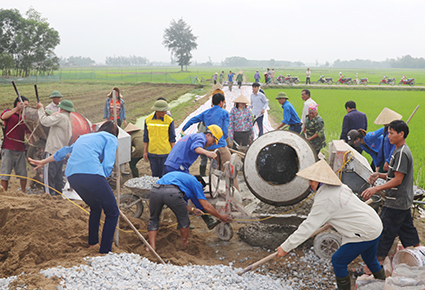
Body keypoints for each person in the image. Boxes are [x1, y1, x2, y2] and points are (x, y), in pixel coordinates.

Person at [277, 160, 385, 290]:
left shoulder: (325, 199)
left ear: (320, 180)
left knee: (338, 261)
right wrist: (331, 218)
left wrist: (286, 247)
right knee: (370, 258)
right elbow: (343, 207)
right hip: (374, 223)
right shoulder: (340, 187)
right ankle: (384, 284)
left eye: (312, 180)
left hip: (365, 231)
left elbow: (307, 227)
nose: (309, 184)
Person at [29, 121, 120, 254]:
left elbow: (63, 152)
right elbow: (108, 163)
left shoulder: (85, 137)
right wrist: (104, 178)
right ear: (115, 134)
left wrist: (43, 161)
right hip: (92, 174)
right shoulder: (111, 138)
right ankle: (105, 251)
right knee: (112, 212)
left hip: (73, 175)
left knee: (96, 207)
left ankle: (93, 243)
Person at [361, 120, 419, 262]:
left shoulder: (401, 153)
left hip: (396, 201)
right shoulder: (397, 151)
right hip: (402, 202)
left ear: (401, 134)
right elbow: (394, 175)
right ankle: (419, 257)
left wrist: (376, 188)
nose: (388, 137)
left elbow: (398, 180)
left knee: (384, 232)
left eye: (392, 133)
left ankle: (374, 267)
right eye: (388, 133)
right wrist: (379, 175)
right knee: (407, 232)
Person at [147, 171, 232, 251]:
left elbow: (177, 202)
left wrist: (193, 210)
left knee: (153, 219)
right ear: (201, 183)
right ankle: (184, 245)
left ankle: (152, 246)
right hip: (172, 192)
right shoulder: (196, 183)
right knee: (184, 220)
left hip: (155, 191)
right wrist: (221, 217)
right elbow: (206, 206)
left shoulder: (182, 178)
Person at [182, 92, 239, 189]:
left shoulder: (206, 113)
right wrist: (224, 139)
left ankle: (217, 190)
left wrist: (183, 129)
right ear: (221, 102)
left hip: (209, 147)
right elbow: (225, 131)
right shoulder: (224, 113)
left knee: (217, 169)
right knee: (231, 168)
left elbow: (192, 120)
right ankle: (236, 192)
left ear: (212, 102)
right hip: (220, 146)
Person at [37, 98, 74, 195]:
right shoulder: (68, 120)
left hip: (52, 151)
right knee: (57, 176)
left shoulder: (60, 117)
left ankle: (49, 197)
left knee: (49, 176)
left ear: (61, 108)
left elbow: (44, 121)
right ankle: (58, 196)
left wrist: (40, 109)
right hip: (61, 152)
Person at [0, 96, 30, 192]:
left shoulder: (24, 118)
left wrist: (33, 145)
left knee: (23, 174)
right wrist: (17, 109)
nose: (25, 107)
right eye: (24, 105)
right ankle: (4, 193)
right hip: (8, 148)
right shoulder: (9, 113)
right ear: (18, 104)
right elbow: (3, 117)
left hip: (20, 149)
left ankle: (23, 191)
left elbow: (28, 133)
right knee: (5, 174)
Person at [143, 100, 176, 178]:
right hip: (152, 153)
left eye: (165, 111)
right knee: (155, 175)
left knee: (165, 175)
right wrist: (145, 151)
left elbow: (172, 139)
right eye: (163, 111)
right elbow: (146, 138)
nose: (165, 113)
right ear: (157, 111)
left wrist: (174, 153)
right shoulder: (148, 120)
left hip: (165, 153)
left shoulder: (169, 121)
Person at [374, 107, 402, 173]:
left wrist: (388, 161)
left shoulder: (394, 133)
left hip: (390, 161)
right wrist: (378, 164)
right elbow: (381, 148)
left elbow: (394, 147)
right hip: (384, 159)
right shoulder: (386, 131)